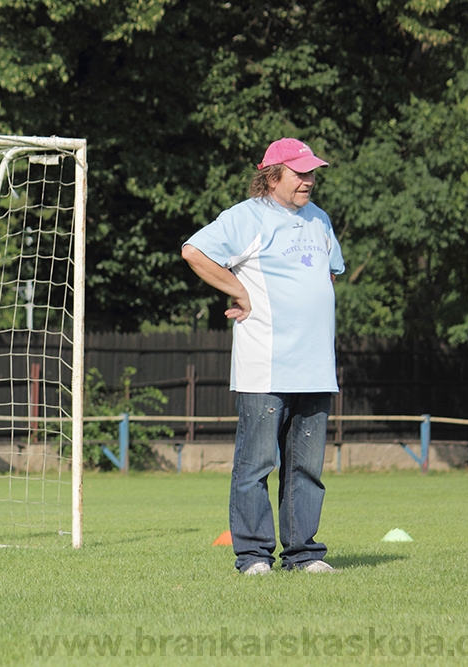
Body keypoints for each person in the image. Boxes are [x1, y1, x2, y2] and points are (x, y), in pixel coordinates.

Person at [181, 138, 344, 575]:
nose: (308, 180)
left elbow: (329, 274)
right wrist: (239, 290)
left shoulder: (320, 219)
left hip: (315, 366)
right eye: (300, 173)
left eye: (312, 173)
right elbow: (193, 251)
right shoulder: (247, 216)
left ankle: (304, 554)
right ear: (272, 177)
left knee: (307, 469)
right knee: (256, 466)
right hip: (265, 365)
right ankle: (253, 557)